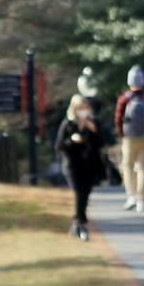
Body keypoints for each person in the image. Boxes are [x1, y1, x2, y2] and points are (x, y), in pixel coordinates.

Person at [55, 95, 109, 241]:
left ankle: (77, 223)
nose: (83, 111)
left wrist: (94, 131)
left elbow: (102, 143)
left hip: (90, 165)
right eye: (80, 109)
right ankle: (81, 224)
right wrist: (71, 140)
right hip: (72, 165)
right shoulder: (68, 124)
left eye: (85, 108)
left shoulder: (93, 123)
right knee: (79, 192)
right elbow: (59, 146)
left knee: (85, 194)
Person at [112, 67, 144, 211]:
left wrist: (121, 133)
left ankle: (131, 195)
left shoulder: (124, 98)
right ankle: (141, 198)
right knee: (143, 167)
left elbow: (118, 118)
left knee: (127, 165)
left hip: (129, 137)